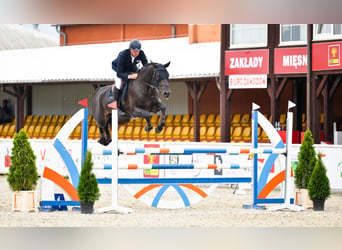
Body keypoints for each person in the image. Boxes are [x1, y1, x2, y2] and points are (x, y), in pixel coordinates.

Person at [108, 39, 148, 110]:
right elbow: (119, 74)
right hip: (119, 70)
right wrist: (130, 76)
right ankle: (115, 105)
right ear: (130, 49)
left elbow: (146, 66)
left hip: (131, 69)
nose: (136, 53)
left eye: (137, 51)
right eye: (134, 51)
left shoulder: (141, 53)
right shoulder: (122, 55)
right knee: (118, 83)